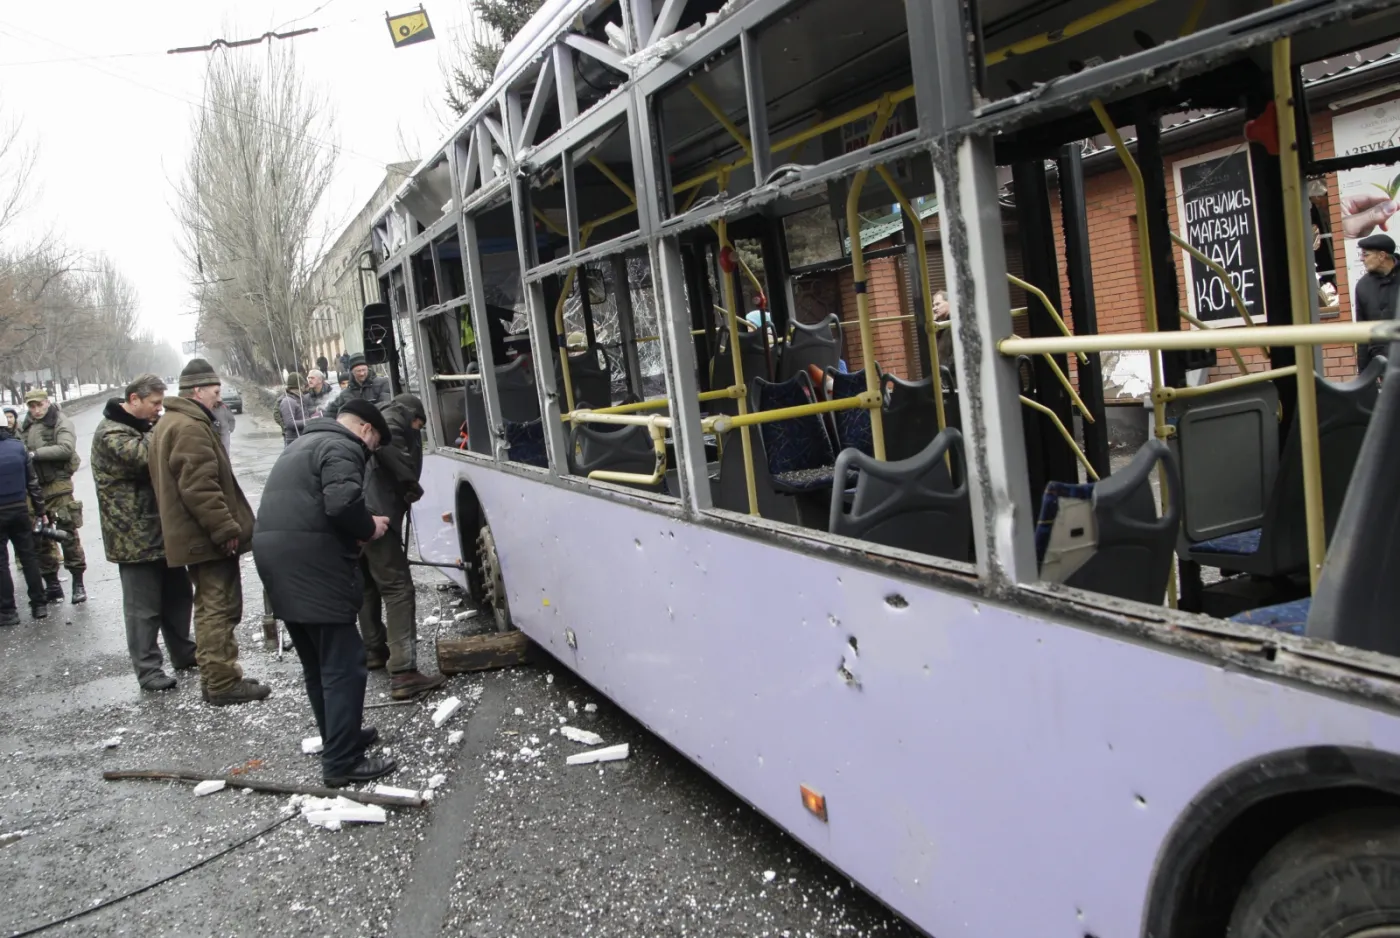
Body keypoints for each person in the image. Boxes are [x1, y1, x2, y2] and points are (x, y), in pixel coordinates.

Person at [254, 400, 397, 787]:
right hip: (311, 565)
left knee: (318, 664)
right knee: (345, 663)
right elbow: (342, 504)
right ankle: (342, 761)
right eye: (373, 446)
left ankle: (340, 736)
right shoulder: (342, 447)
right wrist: (370, 527)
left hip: (277, 562)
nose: (368, 454)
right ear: (366, 431)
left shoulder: (302, 443)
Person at [149, 358, 268, 707]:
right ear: (197, 391)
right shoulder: (189, 426)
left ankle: (218, 677)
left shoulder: (174, 422)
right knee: (219, 606)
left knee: (208, 606)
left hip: (194, 537)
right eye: (216, 393)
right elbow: (199, 487)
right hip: (206, 538)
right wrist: (225, 528)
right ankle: (222, 682)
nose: (220, 399)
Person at [92, 375, 196, 691]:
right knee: (143, 610)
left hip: (163, 532)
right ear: (134, 399)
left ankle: (184, 653)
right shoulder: (111, 433)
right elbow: (145, 457)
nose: (158, 411)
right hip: (133, 539)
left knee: (179, 597)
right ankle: (148, 670)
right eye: (155, 404)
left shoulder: (142, 427)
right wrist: (169, 426)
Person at [359, 393, 445, 698]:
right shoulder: (393, 421)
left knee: (368, 585)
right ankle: (404, 670)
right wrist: (410, 482)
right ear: (414, 414)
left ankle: (374, 650)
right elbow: (391, 449)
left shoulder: (376, 419)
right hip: (376, 514)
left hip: (355, 512)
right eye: (419, 423)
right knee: (397, 589)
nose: (419, 429)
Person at [22, 388, 86, 604]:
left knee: (67, 533)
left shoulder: (60, 421)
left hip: (58, 486)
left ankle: (78, 582)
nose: (36, 409)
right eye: (32, 406)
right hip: (36, 489)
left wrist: (34, 455)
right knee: (40, 536)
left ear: (47, 402)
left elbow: (66, 448)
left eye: (39, 405)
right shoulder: (27, 425)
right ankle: (52, 584)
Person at [0, 410, 48, 625]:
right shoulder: (18, 448)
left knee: (1, 564)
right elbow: (33, 484)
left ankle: (8, 611)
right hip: (20, 509)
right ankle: (39, 605)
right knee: (29, 557)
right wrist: (40, 511)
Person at [1353, 232, 1399, 371]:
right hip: (1383, 363)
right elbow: (1362, 331)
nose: (1362, 259)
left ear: (1382, 256)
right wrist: (1363, 373)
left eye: (1366, 255)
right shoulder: (1363, 286)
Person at [325, 353, 391, 417]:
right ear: (352, 372)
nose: (362, 373)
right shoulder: (345, 393)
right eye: (358, 371)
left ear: (368, 369)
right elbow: (330, 412)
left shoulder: (382, 383)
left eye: (364, 370)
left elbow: (386, 406)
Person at [279, 373, 310, 445]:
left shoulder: (299, 398)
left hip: (302, 438)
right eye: (302, 384)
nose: (304, 387)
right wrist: (310, 421)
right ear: (299, 385)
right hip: (294, 441)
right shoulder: (288, 401)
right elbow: (290, 423)